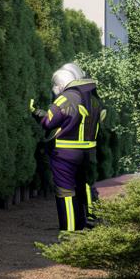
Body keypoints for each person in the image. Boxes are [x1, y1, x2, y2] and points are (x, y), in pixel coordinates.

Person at [30, 63, 104, 233]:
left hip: (65, 153)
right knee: (84, 185)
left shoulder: (67, 97)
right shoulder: (94, 99)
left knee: (66, 191)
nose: (54, 88)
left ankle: (69, 231)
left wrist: (36, 112)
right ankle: (89, 220)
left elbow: (49, 121)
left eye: (56, 85)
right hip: (88, 152)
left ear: (62, 84)